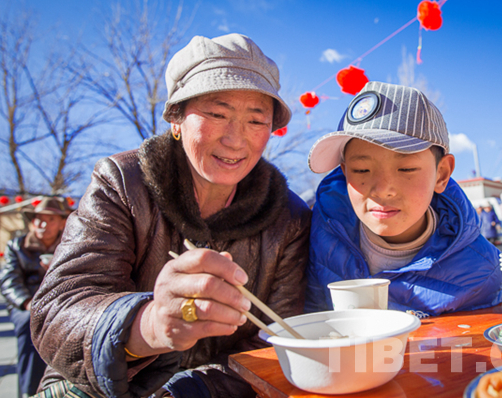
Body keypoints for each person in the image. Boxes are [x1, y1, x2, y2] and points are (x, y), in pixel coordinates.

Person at [29, 34, 311, 398]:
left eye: (256, 121)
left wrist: (191, 388)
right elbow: (57, 309)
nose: (235, 139)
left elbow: (275, 341)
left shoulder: (288, 216)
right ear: (176, 119)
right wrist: (149, 324)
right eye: (217, 114)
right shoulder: (123, 182)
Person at [304, 82, 502, 316]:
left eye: (406, 169)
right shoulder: (323, 232)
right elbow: (313, 317)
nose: (383, 190)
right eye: (361, 170)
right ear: (344, 171)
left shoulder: (479, 270)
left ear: (441, 174)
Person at [0, 197, 70, 396]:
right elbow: (9, 280)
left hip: (59, 303)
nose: (43, 225)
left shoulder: (69, 245)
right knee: (30, 325)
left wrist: (54, 270)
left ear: (62, 223)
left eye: (50, 220)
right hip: (26, 305)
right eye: (39, 219)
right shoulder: (17, 245)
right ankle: (29, 391)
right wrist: (27, 303)